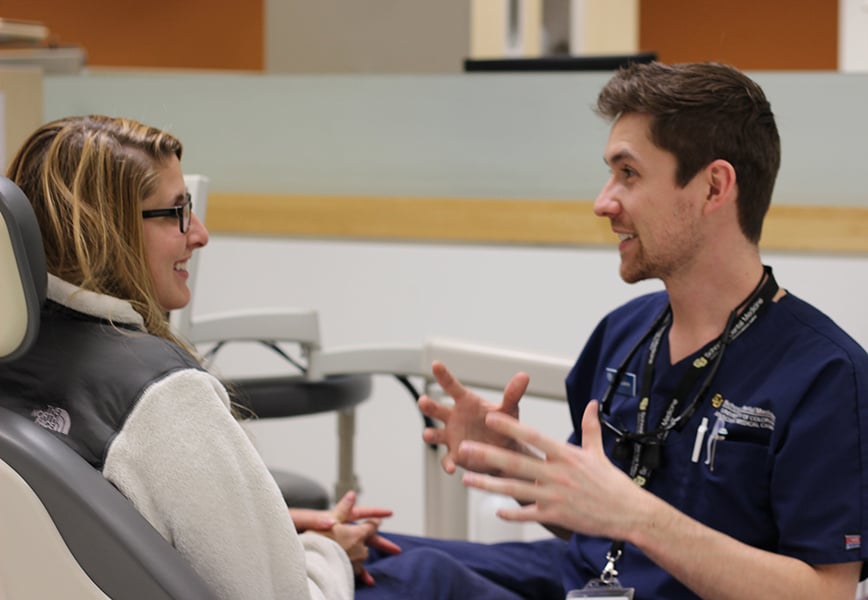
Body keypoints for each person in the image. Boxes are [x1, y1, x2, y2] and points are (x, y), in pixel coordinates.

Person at [358, 62, 868, 599]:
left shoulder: (826, 376)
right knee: (363, 558)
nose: (603, 202)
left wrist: (638, 517)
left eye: (628, 174)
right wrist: (515, 466)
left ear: (714, 186)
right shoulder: (624, 334)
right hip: (577, 578)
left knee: (422, 584)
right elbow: (594, 519)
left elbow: (824, 593)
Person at [0, 115, 399, 599]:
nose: (201, 234)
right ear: (107, 229)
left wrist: (267, 531)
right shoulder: (160, 392)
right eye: (176, 212)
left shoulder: (16, 362)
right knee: (439, 567)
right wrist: (328, 550)